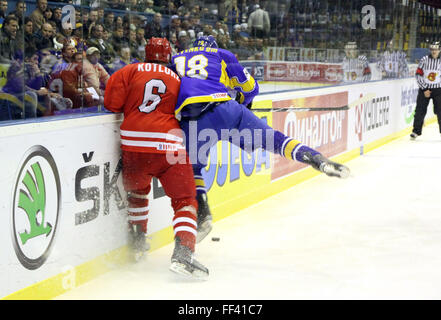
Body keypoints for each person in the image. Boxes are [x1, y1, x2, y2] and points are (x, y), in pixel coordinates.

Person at [170, 35, 350, 243]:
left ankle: (203, 215)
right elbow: (250, 87)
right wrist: (243, 104)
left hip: (193, 120)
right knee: (274, 140)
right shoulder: (222, 55)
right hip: (226, 109)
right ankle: (316, 159)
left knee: (193, 168)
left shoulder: (176, 59)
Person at [104, 38, 209, 279]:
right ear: (168, 55)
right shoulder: (177, 78)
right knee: (184, 200)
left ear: (146, 53)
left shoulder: (128, 71)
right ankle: (183, 252)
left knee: (138, 194)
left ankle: (137, 243)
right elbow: (189, 110)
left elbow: (112, 104)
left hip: (133, 146)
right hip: (167, 146)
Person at [411, 41, 441, 140]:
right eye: (432, 49)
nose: (434, 51)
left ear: (439, 50)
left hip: (438, 90)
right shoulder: (424, 60)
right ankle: (416, 131)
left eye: (436, 49)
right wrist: (424, 89)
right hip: (425, 89)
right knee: (420, 110)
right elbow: (418, 74)